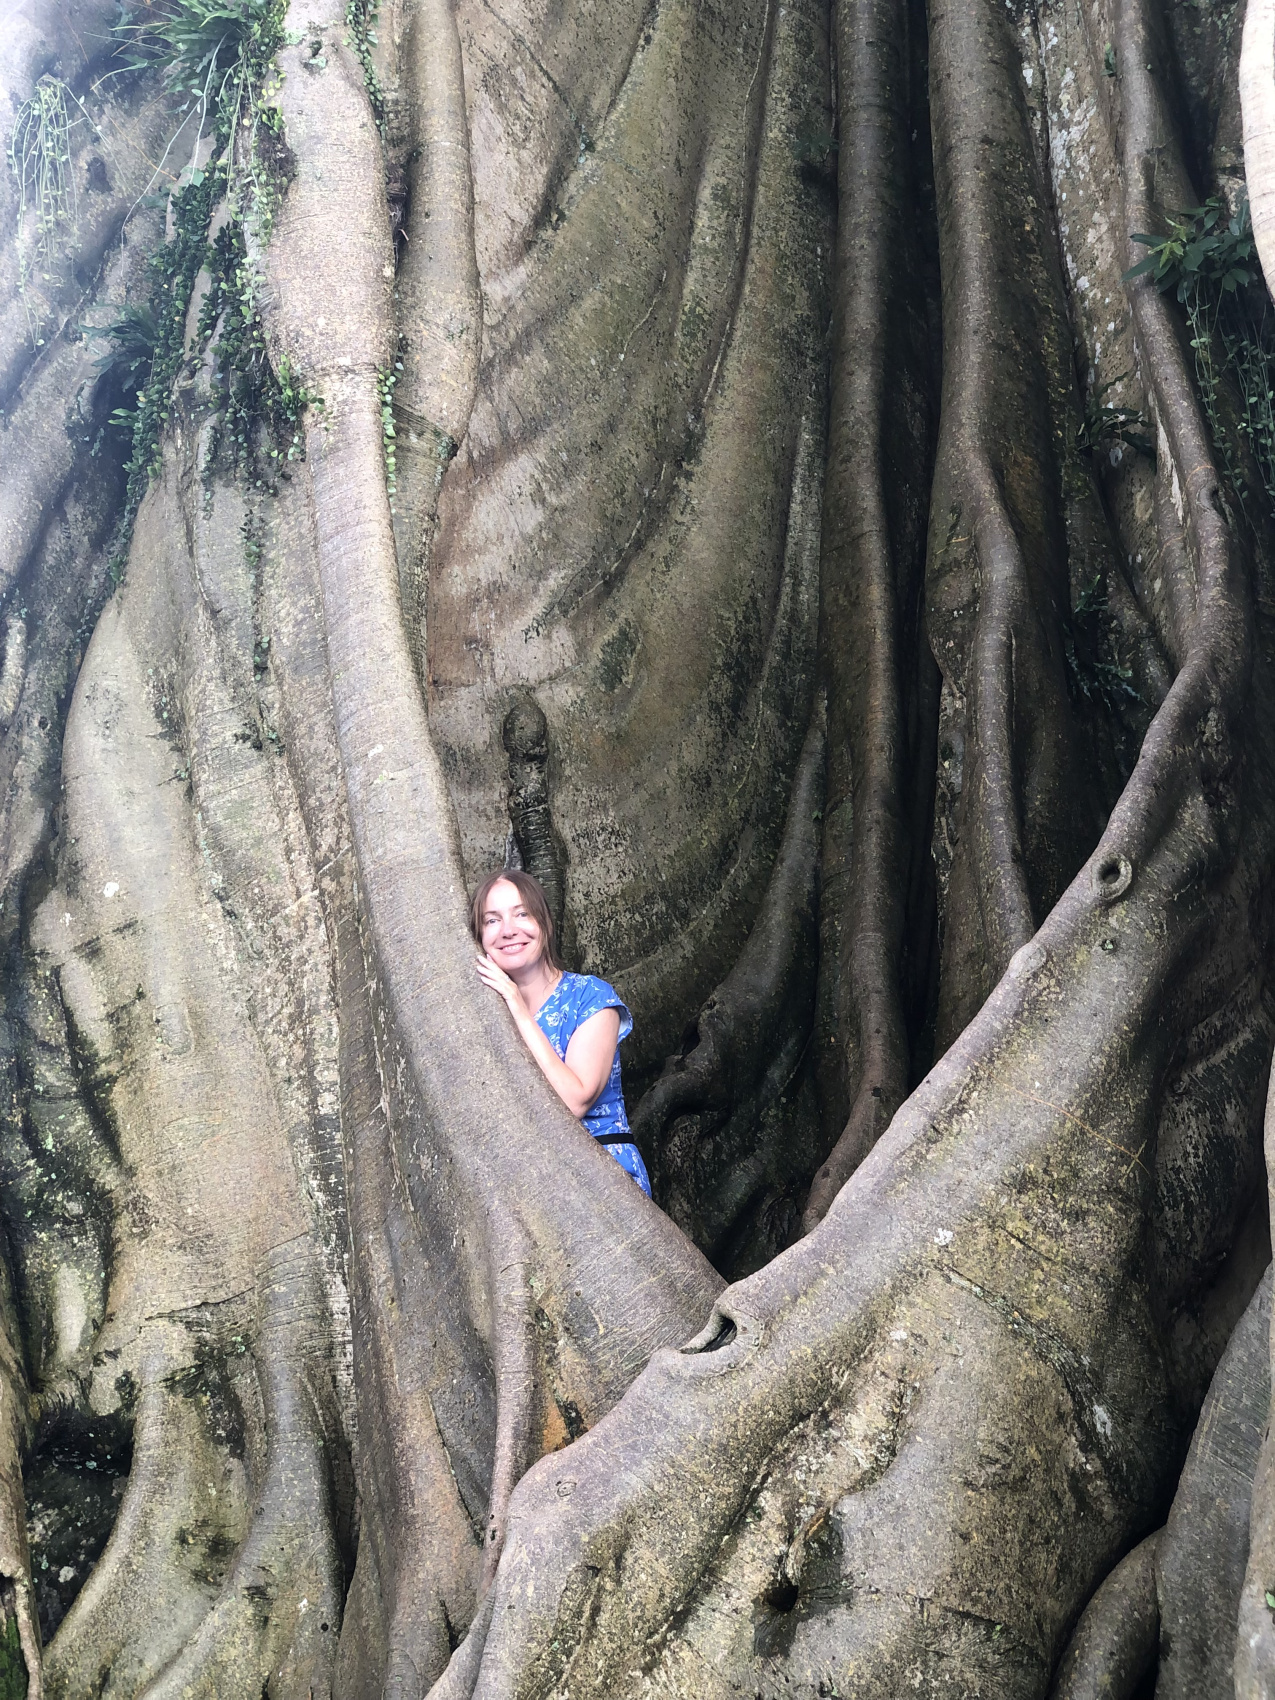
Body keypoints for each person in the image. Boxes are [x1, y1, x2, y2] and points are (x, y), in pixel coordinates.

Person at [471, 869, 652, 1196]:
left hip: (603, 1178)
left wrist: (516, 1004)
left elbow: (575, 1101)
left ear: (546, 924)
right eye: (492, 921)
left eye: (522, 914)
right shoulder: (482, 1015)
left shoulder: (591, 997)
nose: (509, 930)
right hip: (526, 1190)